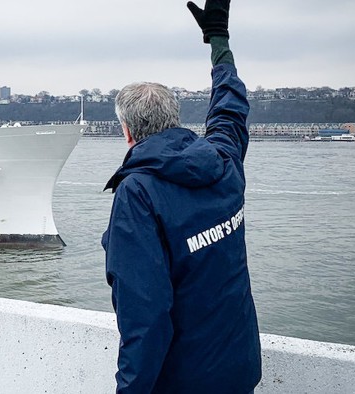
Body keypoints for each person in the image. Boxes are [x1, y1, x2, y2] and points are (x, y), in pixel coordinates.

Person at [101, 1, 260, 393]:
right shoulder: (223, 160)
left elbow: (146, 315)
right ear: (174, 117)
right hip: (239, 369)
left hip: (186, 382)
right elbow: (230, 108)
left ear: (126, 131)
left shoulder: (138, 194)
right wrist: (218, 41)